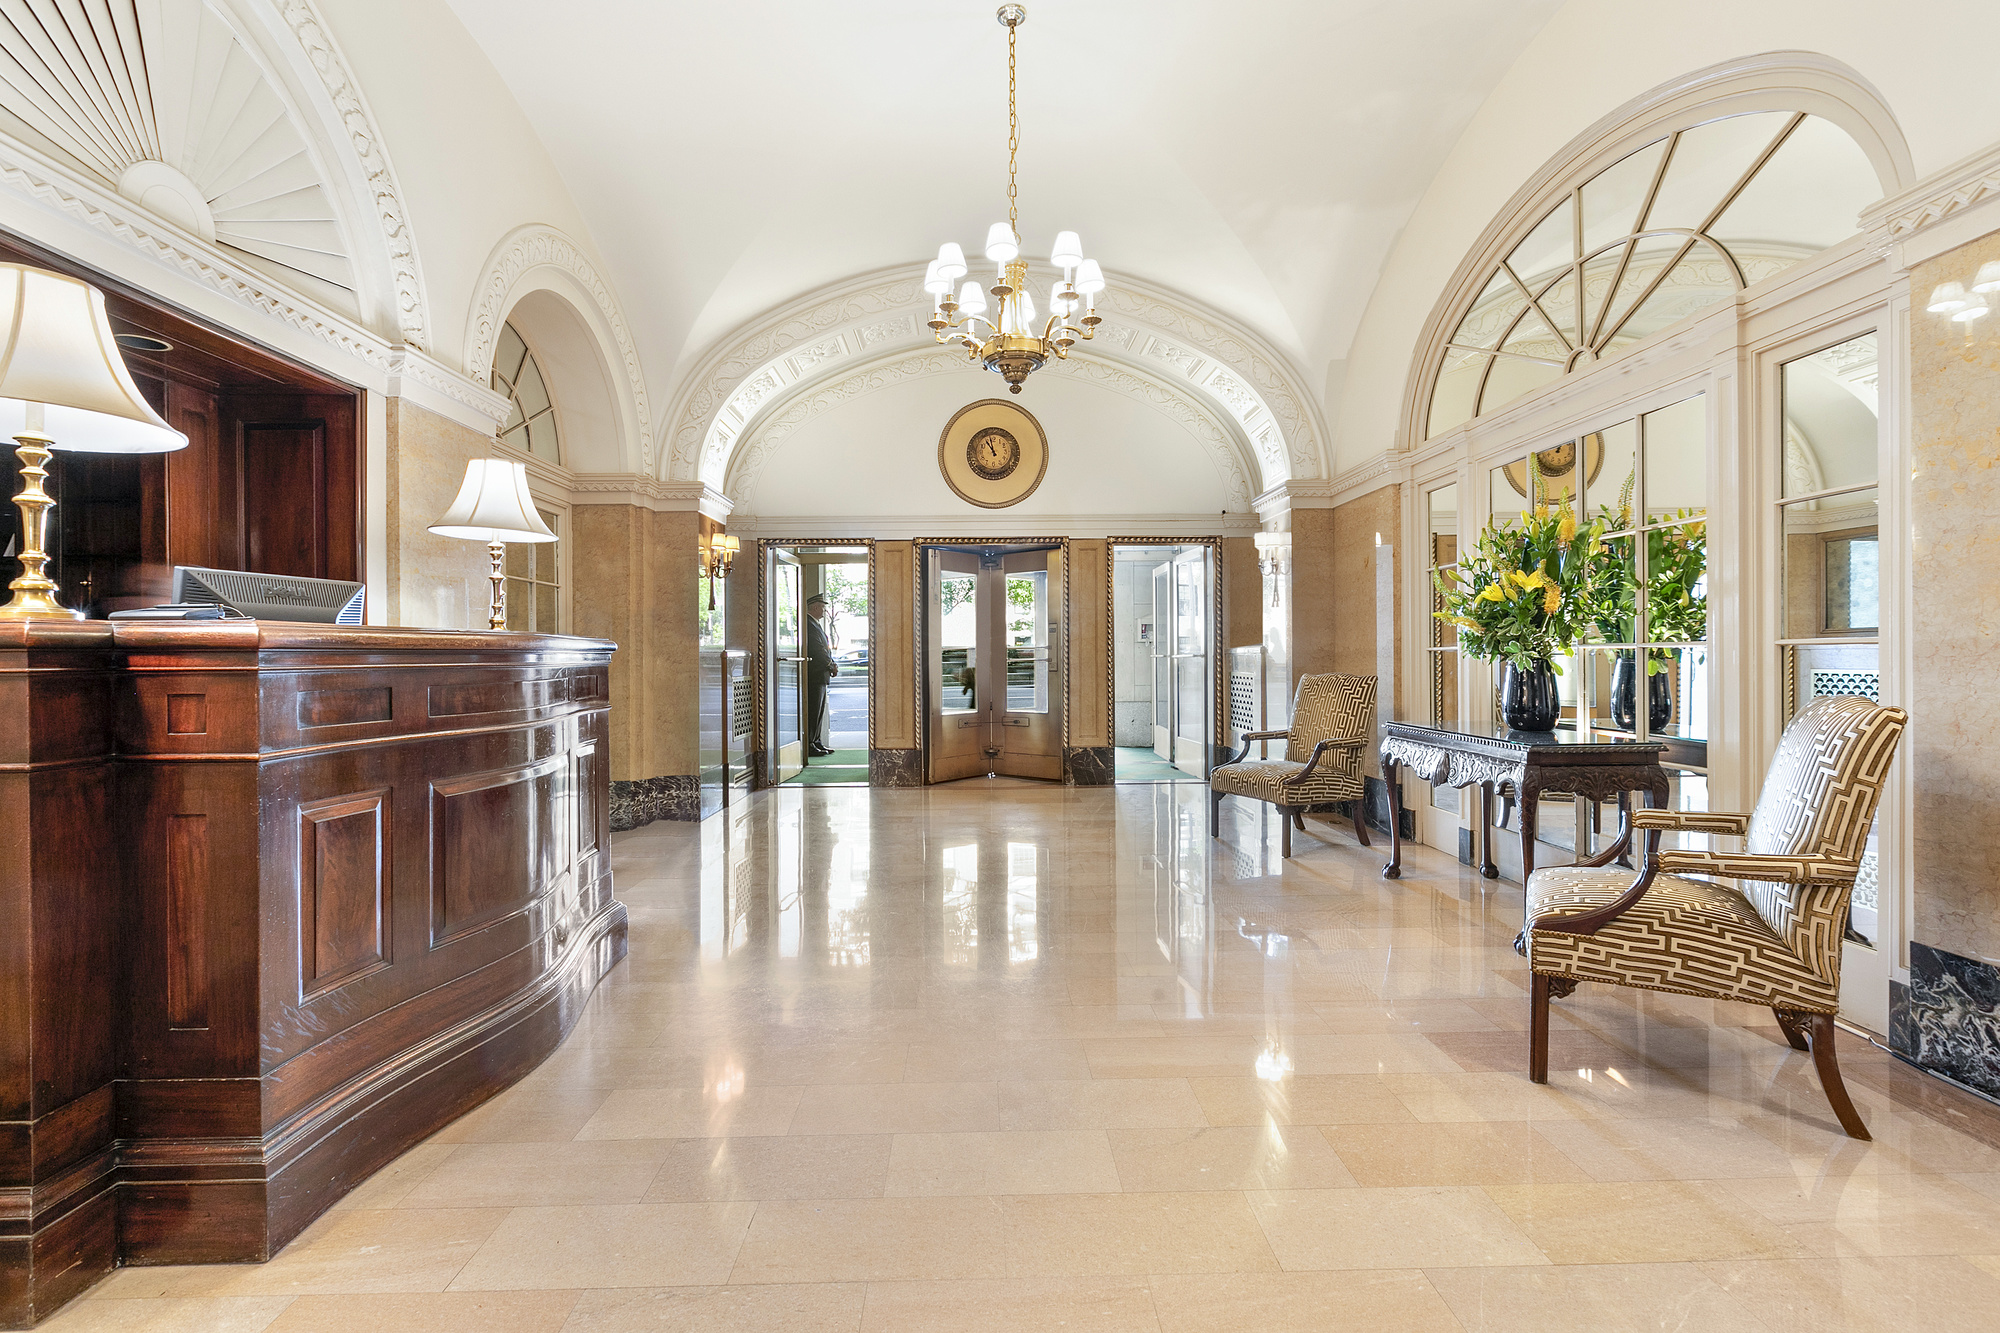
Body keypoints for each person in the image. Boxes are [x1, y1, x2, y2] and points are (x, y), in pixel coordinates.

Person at [805, 592, 838, 757]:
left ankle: (816, 741)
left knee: (819, 710)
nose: (824, 612)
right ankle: (810, 744)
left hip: (820, 675)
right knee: (813, 710)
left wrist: (831, 664)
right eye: (823, 609)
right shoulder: (808, 625)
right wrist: (830, 665)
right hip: (815, 674)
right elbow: (818, 650)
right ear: (816, 607)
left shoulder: (814, 624)